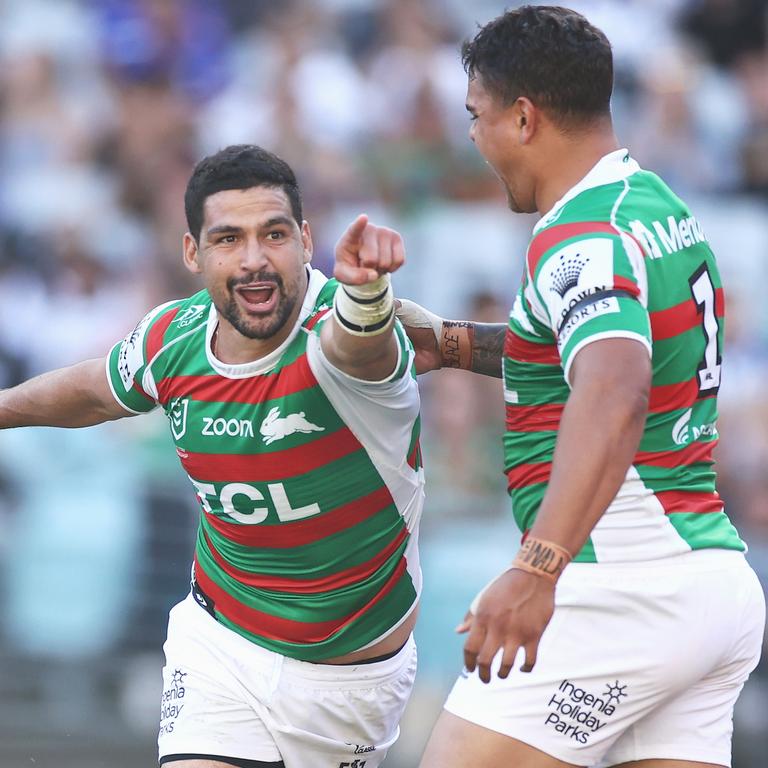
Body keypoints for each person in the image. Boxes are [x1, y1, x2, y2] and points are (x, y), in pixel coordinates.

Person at [398, 6, 765, 768]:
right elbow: (591, 356)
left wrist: (538, 567)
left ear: (525, 118)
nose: (473, 137)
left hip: (621, 582)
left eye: (479, 116)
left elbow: (615, 388)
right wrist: (457, 344)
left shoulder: (581, 233)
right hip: (708, 580)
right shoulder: (656, 206)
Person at [0, 144, 425, 768]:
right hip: (221, 643)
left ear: (307, 240)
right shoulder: (172, 339)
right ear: (193, 253)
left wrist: (367, 297)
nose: (254, 261)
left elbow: (361, 350)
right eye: (228, 238)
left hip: (347, 685)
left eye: (273, 234)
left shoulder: (344, 329)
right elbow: (93, 391)